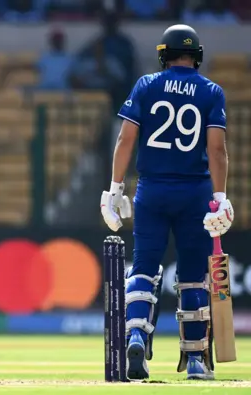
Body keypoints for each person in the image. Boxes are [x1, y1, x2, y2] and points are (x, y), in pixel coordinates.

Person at [100, 25, 231, 381]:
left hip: (152, 191)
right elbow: (216, 150)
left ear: (164, 53)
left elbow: (126, 140)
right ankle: (195, 361)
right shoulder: (211, 92)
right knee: (192, 277)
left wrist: (114, 188)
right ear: (196, 55)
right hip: (195, 194)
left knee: (142, 268)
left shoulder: (146, 85)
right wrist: (220, 197)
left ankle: (137, 335)